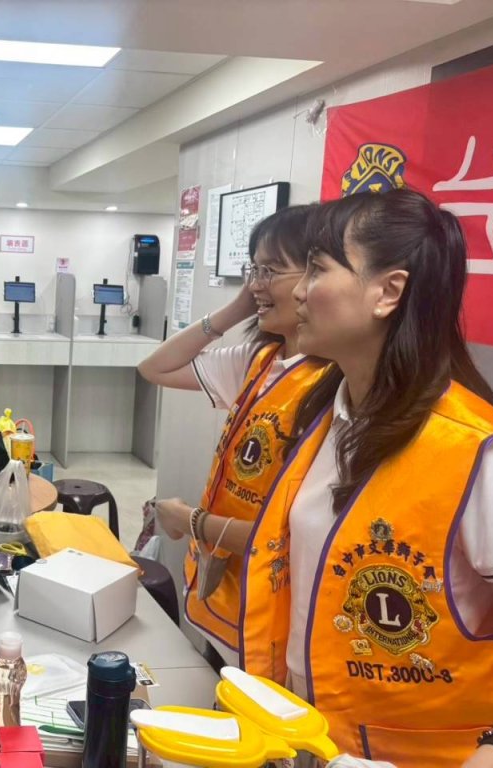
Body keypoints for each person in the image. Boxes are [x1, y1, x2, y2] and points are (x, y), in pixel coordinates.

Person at [241, 188, 493, 765]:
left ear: (388, 292)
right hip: (305, 735)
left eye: (318, 268)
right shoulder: (325, 415)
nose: (299, 291)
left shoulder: (474, 450)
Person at [136, 205, 327, 667]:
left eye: (271, 270)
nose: (257, 283)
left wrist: (192, 520)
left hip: (276, 613)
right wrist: (239, 307)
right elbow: (155, 367)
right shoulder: (258, 360)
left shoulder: (334, 383)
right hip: (224, 591)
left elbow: (294, 535)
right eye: (253, 270)